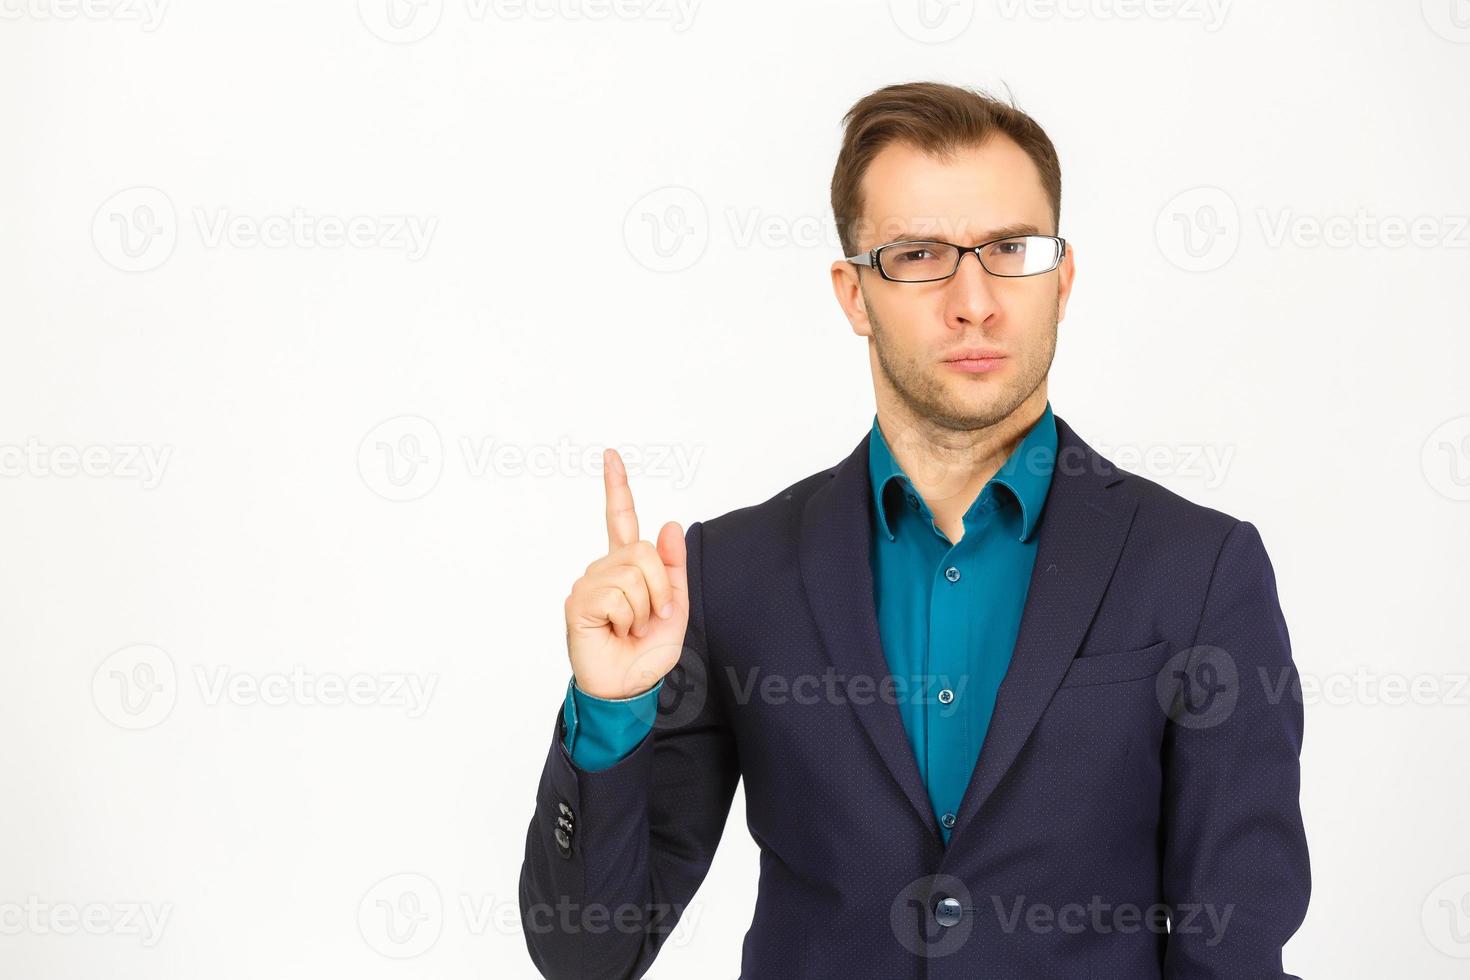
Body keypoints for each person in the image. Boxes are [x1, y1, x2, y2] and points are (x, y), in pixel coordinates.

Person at [518, 79, 1310, 979]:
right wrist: (614, 712)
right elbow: (588, 955)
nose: (974, 301)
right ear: (853, 295)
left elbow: (1235, 953)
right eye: (920, 255)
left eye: (1012, 248)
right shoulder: (729, 574)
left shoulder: (1200, 571)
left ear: (1065, 276)